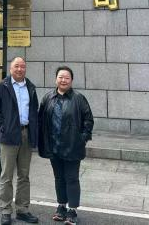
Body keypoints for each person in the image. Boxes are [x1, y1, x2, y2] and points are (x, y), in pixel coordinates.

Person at [38, 66, 94, 225]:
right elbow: (41, 120)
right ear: (56, 79)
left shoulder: (79, 98)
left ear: (71, 80)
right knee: (59, 178)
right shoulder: (48, 98)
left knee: (72, 178)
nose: (63, 80)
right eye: (60, 77)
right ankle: (61, 206)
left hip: (72, 146)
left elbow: (88, 120)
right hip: (54, 146)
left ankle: (72, 210)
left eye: (67, 78)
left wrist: (82, 138)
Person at [0, 56, 39, 225]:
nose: (19, 69)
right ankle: (5, 210)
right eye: (16, 66)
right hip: (9, 136)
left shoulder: (30, 87)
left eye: (22, 66)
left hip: (26, 134)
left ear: (25, 69)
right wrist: (3, 127)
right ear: (10, 69)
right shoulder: (2, 86)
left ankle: (22, 210)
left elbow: (34, 110)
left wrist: (34, 131)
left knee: (24, 175)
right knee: (7, 175)